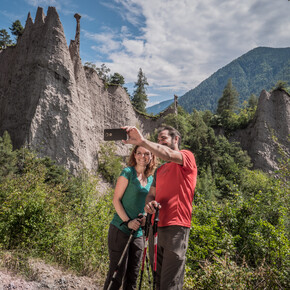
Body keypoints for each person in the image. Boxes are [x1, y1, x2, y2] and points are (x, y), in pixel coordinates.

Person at [122, 125, 197, 290]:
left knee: (170, 283)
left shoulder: (186, 157)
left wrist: (142, 141)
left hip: (177, 227)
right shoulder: (160, 170)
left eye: (163, 138)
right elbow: (151, 194)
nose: (160, 142)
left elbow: (168, 154)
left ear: (175, 139)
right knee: (156, 280)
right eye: (158, 140)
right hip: (155, 227)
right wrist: (149, 203)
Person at [103, 145, 157, 290]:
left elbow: (148, 204)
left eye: (146, 153)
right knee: (116, 275)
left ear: (152, 156)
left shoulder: (152, 179)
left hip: (139, 232)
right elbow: (116, 200)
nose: (142, 156)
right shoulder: (127, 172)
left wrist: (145, 216)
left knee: (132, 277)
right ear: (134, 155)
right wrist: (128, 222)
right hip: (120, 228)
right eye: (138, 153)